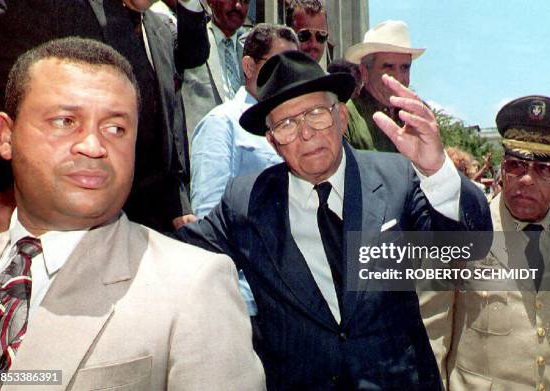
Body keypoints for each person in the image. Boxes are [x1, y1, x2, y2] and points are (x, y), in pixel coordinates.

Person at [177, 50, 491, 390]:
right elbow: (172, 259)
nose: (306, 134)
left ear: (341, 116)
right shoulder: (246, 201)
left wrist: (437, 172)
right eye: (286, 124)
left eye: (316, 114)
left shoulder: (397, 178)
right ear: (271, 141)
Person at [0, 37, 264, 390]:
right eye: (65, 121)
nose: (93, 145)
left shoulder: (193, 285)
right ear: (5, 136)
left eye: (116, 128)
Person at [0, 0, 210, 235]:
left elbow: (192, 59)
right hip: (59, 223)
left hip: (143, 227)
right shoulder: (57, 8)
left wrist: (176, 205)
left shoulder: (161, 30)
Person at [435, 96, 550, 390]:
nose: (525, 179)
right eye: (516, 165)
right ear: (501, 168)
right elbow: (432, 340)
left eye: (545, 170)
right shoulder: (461, 233)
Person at [190, 23, 298, 218]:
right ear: (249, 66)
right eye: (278, 65)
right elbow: (208, 215)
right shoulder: (221, 123)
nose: (287, 76)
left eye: (294, 67)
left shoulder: (297, 127)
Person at [344, 20, 424, 152]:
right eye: (389, 67)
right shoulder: (346, 118)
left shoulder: (418, 117)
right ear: (365, 72)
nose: (398, 77)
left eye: (405, 67)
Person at [181, 0, 250, 138]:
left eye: (245, 1)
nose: (238, 6)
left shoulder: (250, 53)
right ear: (210, 1)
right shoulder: (193, 43)